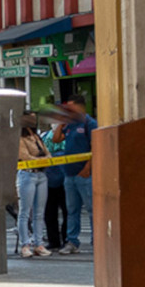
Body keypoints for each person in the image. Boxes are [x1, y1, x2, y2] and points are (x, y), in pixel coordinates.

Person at [51, 95, 96, 254]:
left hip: (84, 174)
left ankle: (95, 240)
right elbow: (56, 140)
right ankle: (72, 241)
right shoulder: (69, 124)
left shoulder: (89, 123)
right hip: (69, 174)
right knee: (72, 210)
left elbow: (95, 146)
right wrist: (61, 124)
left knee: (91, 209)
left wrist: (87, 167)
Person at [17, 113, 53, 258]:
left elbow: (48, 154)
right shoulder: (19, 138)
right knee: (25, 212)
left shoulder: (37, 137)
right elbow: (25, 156)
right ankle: (25, 244)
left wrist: (42, 160)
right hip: (27, 174)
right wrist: (43, 160)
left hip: (41, 175)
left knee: (39, 212)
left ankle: (39, 243)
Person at [41, 125, 68, 252]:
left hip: (64, 180)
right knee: (50, 213)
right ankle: (55, 240)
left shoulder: (67, 136)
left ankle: (64, 239)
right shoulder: (44, 137)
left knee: (66, 212)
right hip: (49, 180)